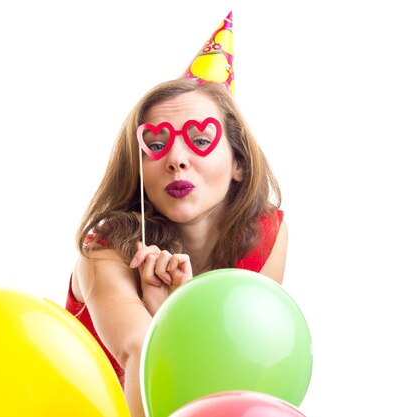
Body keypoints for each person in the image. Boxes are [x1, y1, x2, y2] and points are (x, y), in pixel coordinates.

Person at [65, 78, 288, 417]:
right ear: (138, 170)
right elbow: (142, 348)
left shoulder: (265, 236)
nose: (176, 160)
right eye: (155, 145)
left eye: (200, 140)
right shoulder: (105, 249)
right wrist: (163, 324)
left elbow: (243, 375)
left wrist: (180, 317)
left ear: (239, 164)